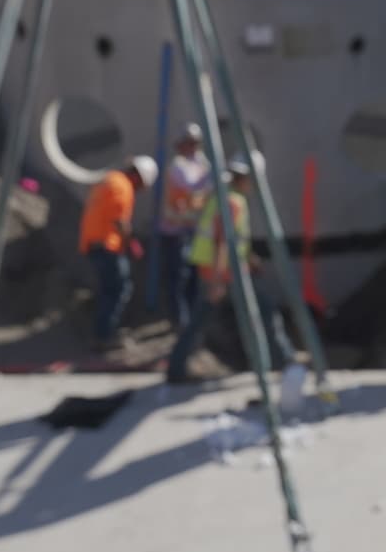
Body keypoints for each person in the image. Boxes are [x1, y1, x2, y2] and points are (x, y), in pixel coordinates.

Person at [171, 155, 294, 387]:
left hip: (221, 272)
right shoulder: (232, 202)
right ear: (246, 178)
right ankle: (283, 361)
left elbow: (234, 239)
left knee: (200, 321)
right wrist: (218, 280)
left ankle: (175, 370)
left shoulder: (224, 197)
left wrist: (249, 257)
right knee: (265, 312)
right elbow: (222, 241)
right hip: (224, 275)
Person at [77, 154, 155, 354]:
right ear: (138, 177)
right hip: (107, 246)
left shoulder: (108, 180)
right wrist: (131, 243)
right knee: (119, 289)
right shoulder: (122, 186)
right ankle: (105, 336)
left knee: (108, 291)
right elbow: (119, 221)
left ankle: (101, 333)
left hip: (92, 243)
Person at [154, 123, 213, 317]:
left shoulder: (199, 163)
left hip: (191, 230)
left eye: (195, 143)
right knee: (177, 279)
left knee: (192, 280)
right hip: (175, 231)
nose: (193, 147)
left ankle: (189, 320)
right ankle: (179, 321)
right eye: (189, 143)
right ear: (181, 145)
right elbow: (192, 185)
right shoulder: (178, 166)